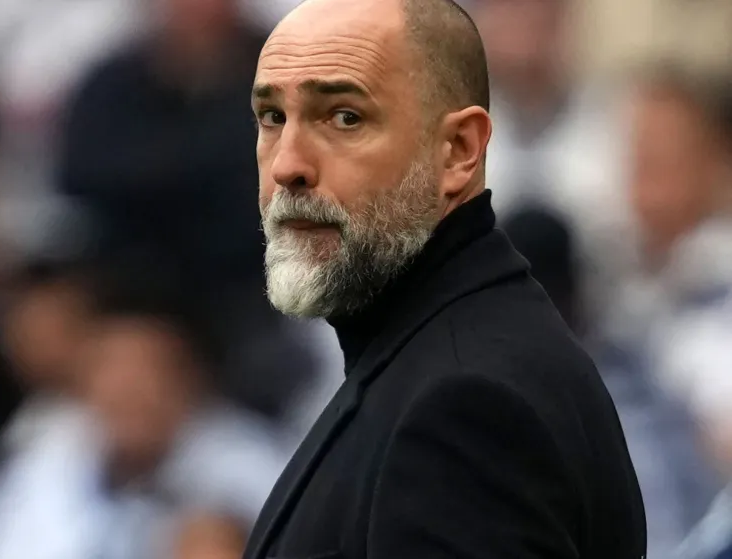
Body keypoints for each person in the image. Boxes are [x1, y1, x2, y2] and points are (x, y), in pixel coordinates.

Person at [243, 0, 647, 558]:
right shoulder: (441, 355)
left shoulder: (468, 405)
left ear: (458, 150)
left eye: (344, 117)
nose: (287, 164)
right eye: (272, 117)